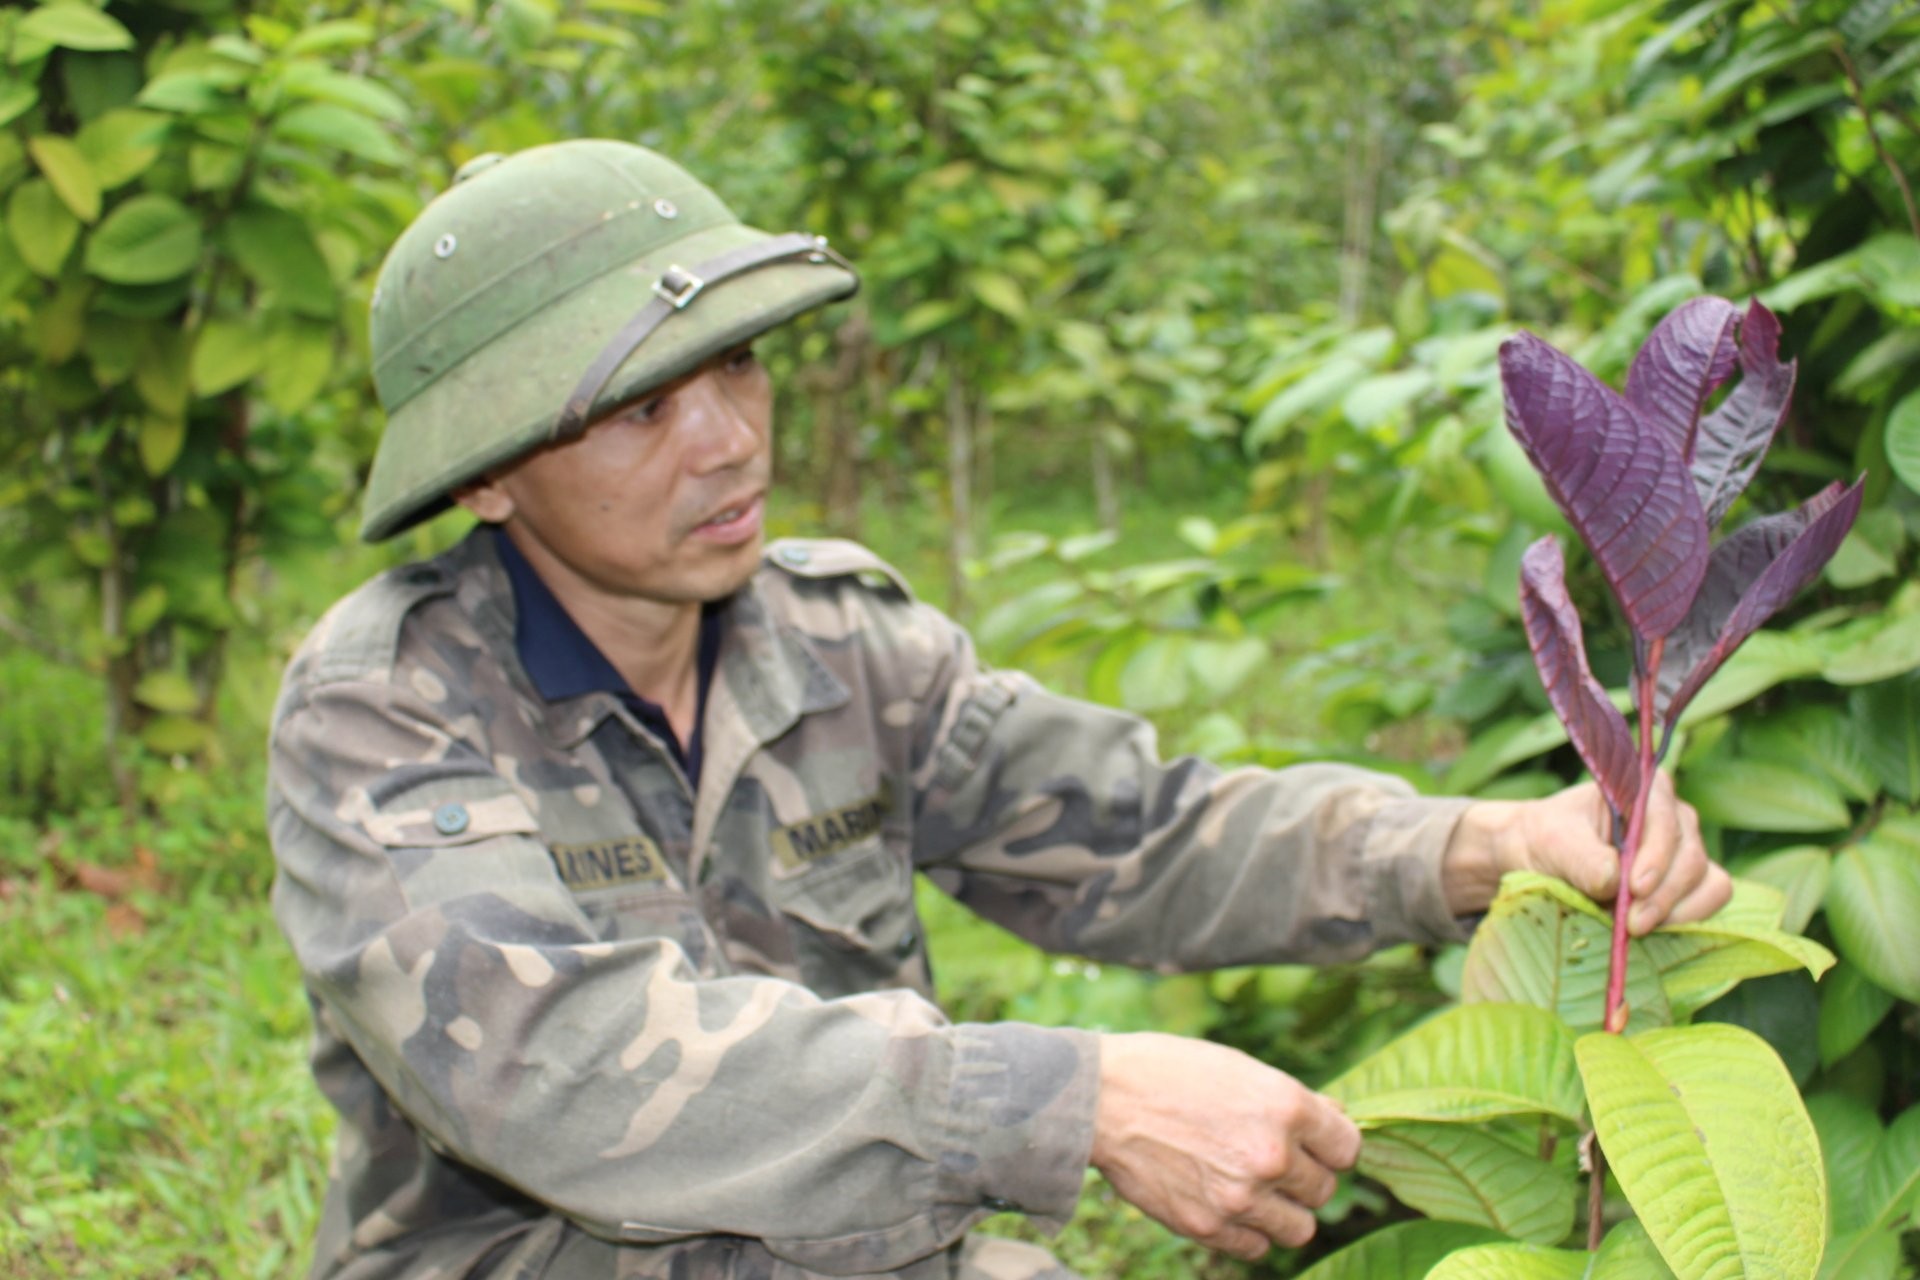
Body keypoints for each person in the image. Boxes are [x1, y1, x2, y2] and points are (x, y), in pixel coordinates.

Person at [267, 139, 1728, 1280]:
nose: (728, 442)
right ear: (488, 476)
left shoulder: (835, 641)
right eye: (641, 409)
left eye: (739, 366)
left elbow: (1140, 833)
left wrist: (1477, 845)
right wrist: (1072, 1096)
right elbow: (560, 1072)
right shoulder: (385, 714)